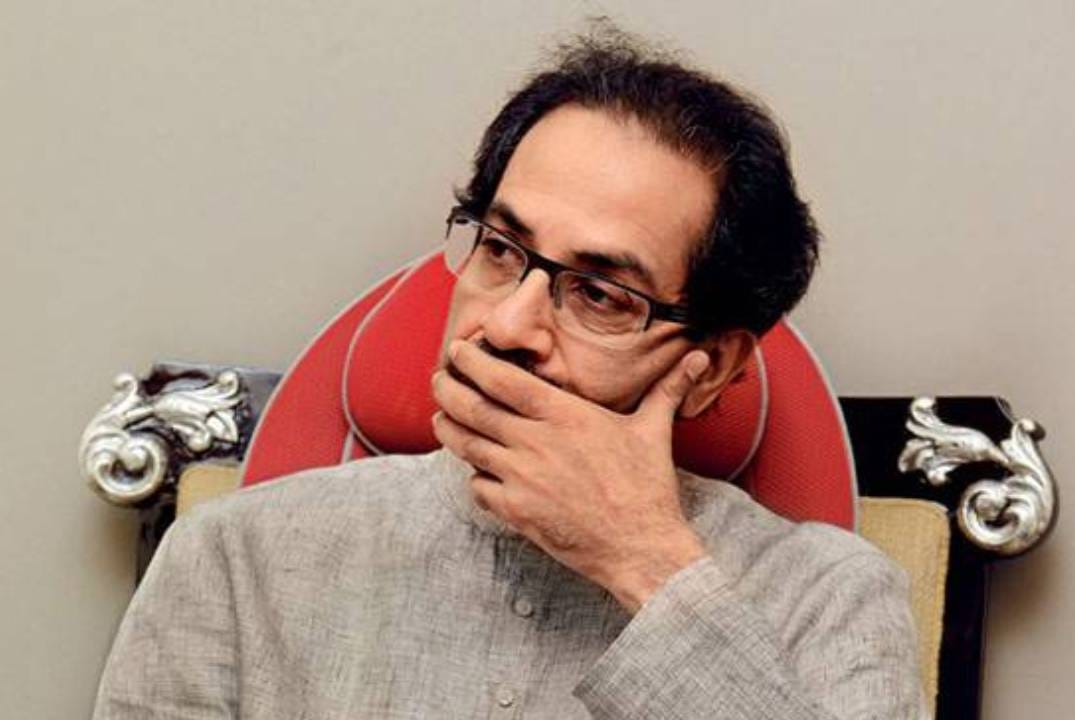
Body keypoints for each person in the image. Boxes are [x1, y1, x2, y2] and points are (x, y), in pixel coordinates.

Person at [93, 24, 925, 720]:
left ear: (711, 369)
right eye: (499, 249)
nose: (506, 325)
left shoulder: (832, 599)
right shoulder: (236, 560)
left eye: (600, 294)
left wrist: (647, 562)